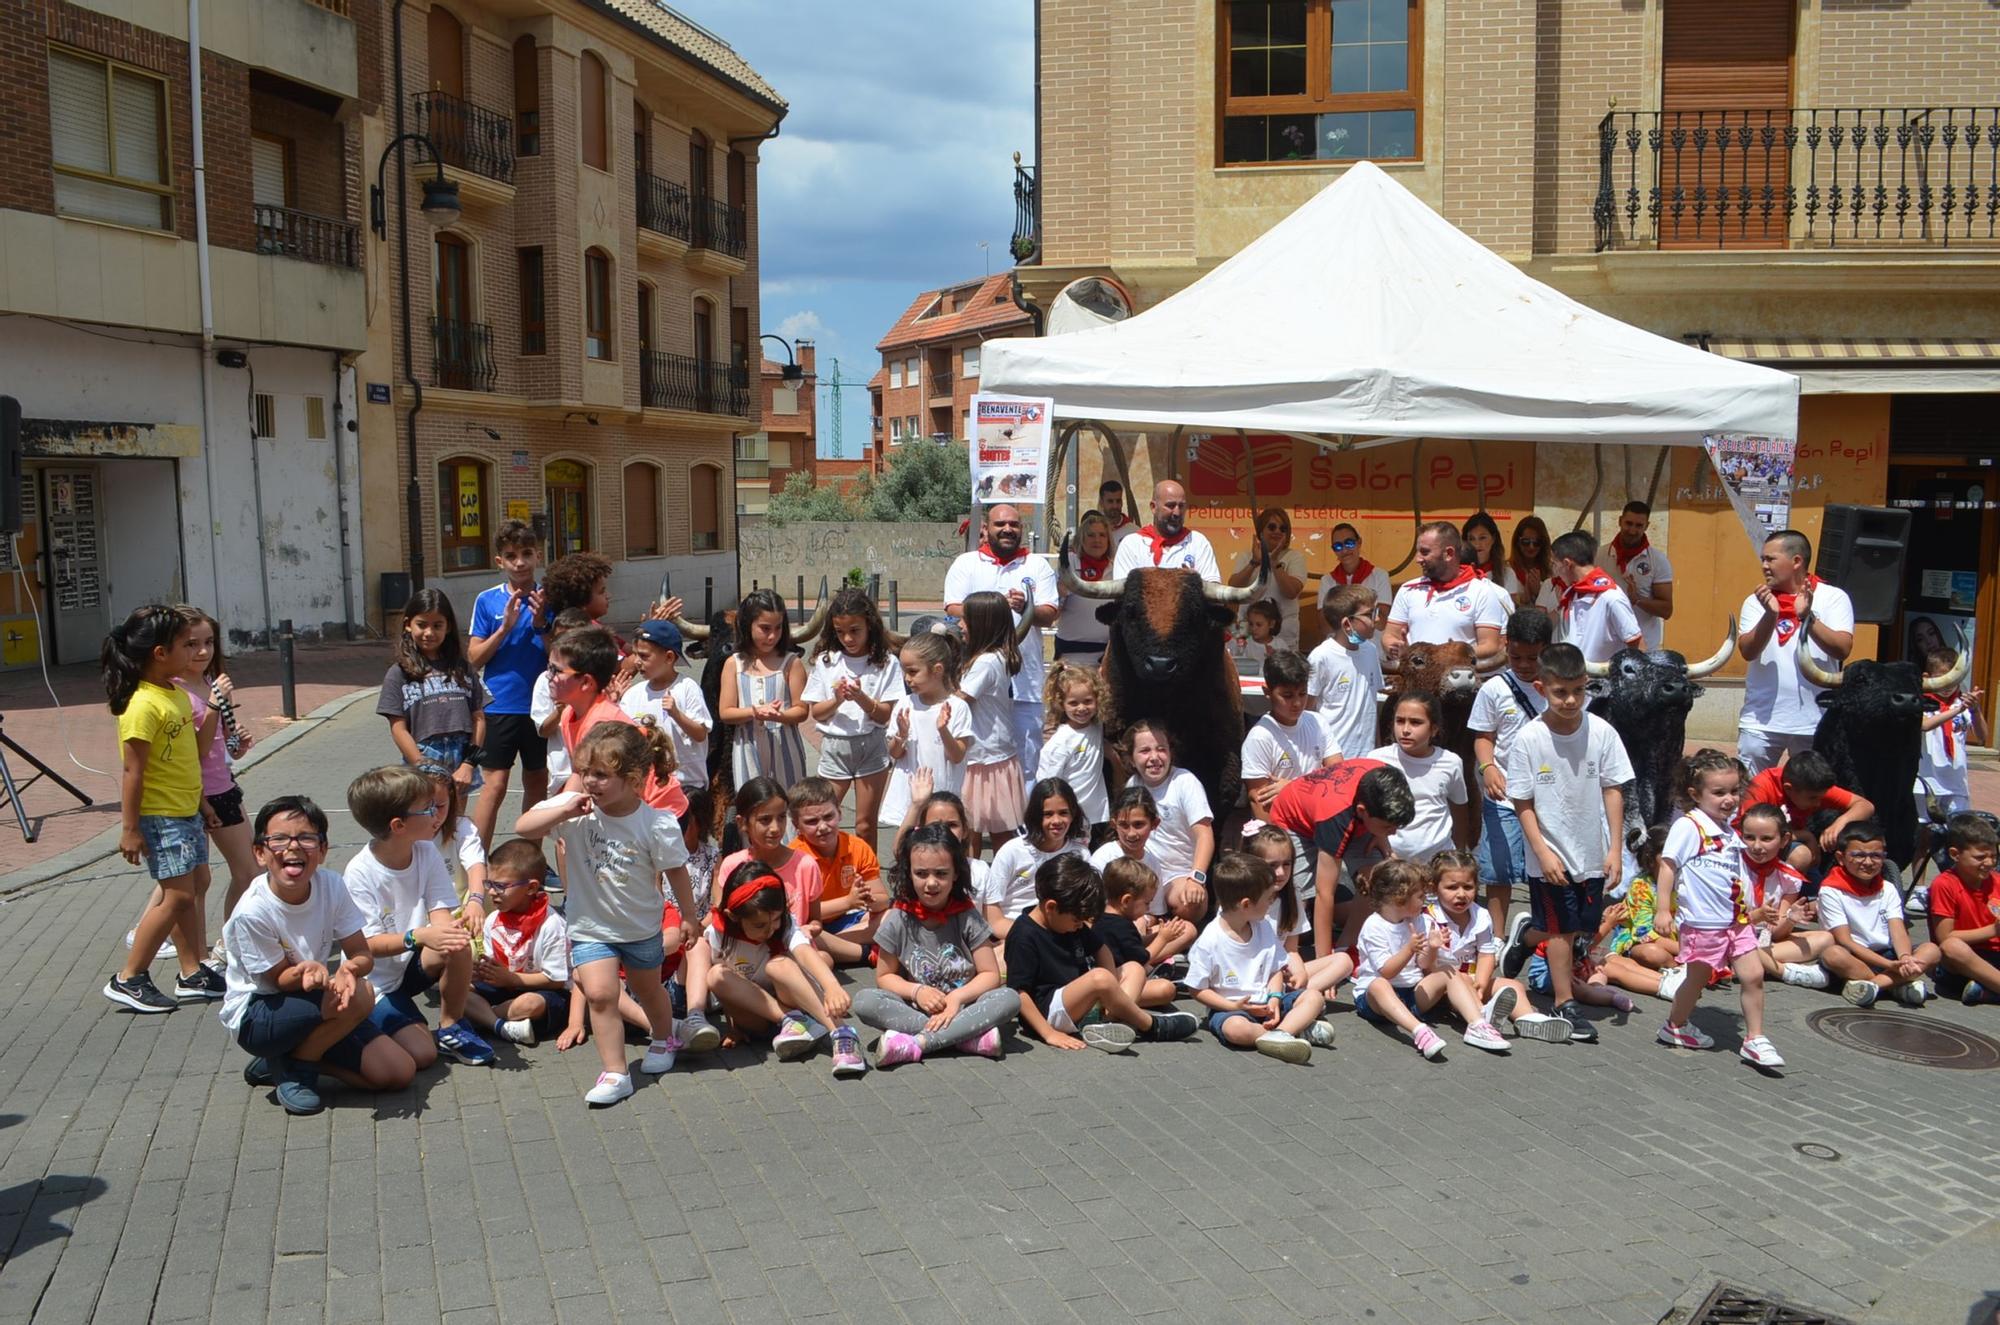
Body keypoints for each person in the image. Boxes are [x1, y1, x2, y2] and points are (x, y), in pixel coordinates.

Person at [513, 723, 697, 1105]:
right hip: (590, 927)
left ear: (632, 780)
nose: (590, 782)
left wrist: (689, 918)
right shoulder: (573, 811)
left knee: (648, 990)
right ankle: (616, 1072)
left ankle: (664, 1039)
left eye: (601, 775)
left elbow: (677, 873)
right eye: (584, 772)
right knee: (599, 994)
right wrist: (564, 805)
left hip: (640, 926)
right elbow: (522, 825)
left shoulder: (656, 823)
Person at [220, 797, 415, 1113]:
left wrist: (349, 970)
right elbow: (279, 981)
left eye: (306, 838)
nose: (293, 847)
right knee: (360, 996)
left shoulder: (332, 885)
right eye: (279, 839)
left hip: (318, 1001)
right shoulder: (252, 911)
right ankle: (299, 1068)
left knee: (399, 1072)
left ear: (322, 850)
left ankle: (286, 1062)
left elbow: (361, 953)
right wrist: (304, 971)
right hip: (259, 1013)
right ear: (260, 852)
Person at [1503, 642, 1633, 1044]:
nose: (1571, 700)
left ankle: (1527, 937)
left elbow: (1613, 789)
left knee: (1580, 927)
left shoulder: (1602, 732)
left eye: (1579, 690)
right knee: (1560, 932)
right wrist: (1542, 852)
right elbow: (1521, 801)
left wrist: (1614, 848)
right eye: (1561, 692)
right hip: (1549, 854)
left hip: (1592, 849)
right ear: (1542, 688)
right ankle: (1564, 1003)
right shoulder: (1529, 739)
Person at [103, 604, 221, 1012]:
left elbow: (188, 756)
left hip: (185, 809)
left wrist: (203, 804)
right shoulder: (141, 704)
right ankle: (129, 977)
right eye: (185, 646)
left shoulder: (173, 692)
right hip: (161, 815)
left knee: (192, 887)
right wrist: (129, 828)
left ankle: (192, 972)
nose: (194, 653)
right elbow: (132, 772)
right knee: (177, 896)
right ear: (159, 653)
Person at [342, 765, 493, 1069]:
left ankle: (451, 1026)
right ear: (398, 826)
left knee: (457, 943)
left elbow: (440, 912)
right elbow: (365, 945)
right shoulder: (359, 873)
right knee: (422, 1055)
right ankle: (356, 1026)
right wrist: (418, 936)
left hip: (409, 966)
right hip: (376, 981)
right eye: (427, 809)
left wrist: (449, 934)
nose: (437, 814)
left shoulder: (424, 851)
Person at [1651, 750, 1784, 1068]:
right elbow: (1668, 866)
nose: (1729, 799)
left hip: (1735, 922)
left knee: (1753, 975)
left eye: (1735, 791)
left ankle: (1754, 1038)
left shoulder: (1729, 830)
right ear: (1695, 794)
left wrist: (1753, 910)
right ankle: (1675, 1026)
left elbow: (1734, 874)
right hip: (1703, 923)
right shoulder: (1689, 826)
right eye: (1719, 792)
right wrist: (1663, 909)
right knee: (1696, 980)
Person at [854, 823, 1020, 1065]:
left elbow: (990, 975)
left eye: (941, 874)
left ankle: (918, 1043)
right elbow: (885, 977)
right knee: (864, 1001)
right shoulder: (898, 918)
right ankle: (965, 1037)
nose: (931, 883)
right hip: (917, 1009)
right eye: (921, 874)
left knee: (1009, 999)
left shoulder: (966, 915)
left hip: (965, 1007)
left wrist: (957, 999)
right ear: (908, 873)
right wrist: (917, 991)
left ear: (955, 874)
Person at [683, 860, 866, 1077]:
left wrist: (832, 987)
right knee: (716, 976)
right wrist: (734, 1027)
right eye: (760, 925)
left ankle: (842, 1033)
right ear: (734, 916)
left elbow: (805, 953)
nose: (770, 930)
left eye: (776, 920)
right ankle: (794, 1021)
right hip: (759, 1018)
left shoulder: (787, 924)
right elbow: (727, 993)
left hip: (793, 999)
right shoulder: (718, 934)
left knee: (779, 965)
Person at [1003, 855, 1199, 1051]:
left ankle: (1112, 1023)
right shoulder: (1023, 934)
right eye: (1077, 921)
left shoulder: (1067, 919)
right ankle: (1150, 1026)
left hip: (1081, 1002)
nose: (1079, 926)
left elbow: (1101, 948)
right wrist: (1048, 1033)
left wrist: (1111, 991)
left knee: (1134, 968)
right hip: (1048, 1012)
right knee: (1099, 977)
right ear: (1051, 907)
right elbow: (1019, 992)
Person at [943, 504, 1059, 784]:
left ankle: (1022, 825)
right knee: (976, 762)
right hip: (972, 681)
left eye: (1014, 525)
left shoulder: (1037, 565)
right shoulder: (966, 563)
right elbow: (951, 607)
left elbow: (1050, 613)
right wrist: (995, 609)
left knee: (1027, 765)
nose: (1008, 529)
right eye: (1000, 524)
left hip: (1025, 683)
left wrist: (1026, 605)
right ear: (986, 528)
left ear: (1022, 529)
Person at [1184, 852, 1333, 1063]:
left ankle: (1282, 1034)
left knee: (1314, 997)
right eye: (1268, 899)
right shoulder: (1210, 941)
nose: (1272, 903)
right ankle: (1291, 1032)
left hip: (1268, 1004)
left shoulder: (1262, 926)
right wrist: (1232, 1007)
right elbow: (1197, 988)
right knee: (1236, 1031)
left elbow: (1275, 969)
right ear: (1246, 905)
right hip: (1232, 1009)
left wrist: (1275, 998)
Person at [1353, 859, 1508, 1059]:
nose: (1425, 901)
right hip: (1376, 1002)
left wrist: (1432, 948)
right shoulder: (1374, 926)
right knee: (1378, 984)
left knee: (1447, 970)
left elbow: (1423, 965)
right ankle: (1420, 1031)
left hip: (1412, 993)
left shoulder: (1420, 920)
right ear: (1400, 898)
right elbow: (1387, 971)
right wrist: (1409, 949)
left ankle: (1477, 1024)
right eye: (1420, 896)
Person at [1264, 760, 1417, 961]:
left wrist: (1381, 834)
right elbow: (1324, 893)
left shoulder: (1387, 777)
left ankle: (1347, 946)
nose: (1395, 832)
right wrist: (1324, 961)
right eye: (1388, 827)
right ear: (1363, 811)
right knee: (1296, 896)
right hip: (1297, 822)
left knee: (1377, 881)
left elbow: (1381, 813)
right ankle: (1279, 953)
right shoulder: (1336, 817)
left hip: (1350, 815)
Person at [1736, 529, 1855, 774]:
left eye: (1770, 559)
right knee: (1751, 797)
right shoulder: (1755, 601)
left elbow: (1842, 649)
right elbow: (1748, 651)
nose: (1764, 566)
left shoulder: (1833, 598)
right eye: (1763, 559)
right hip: (1761, 721)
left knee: (1811, 798)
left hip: (1815, 721)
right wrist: (1770, 614)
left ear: (1796, 561)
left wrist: (1806, 617)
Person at [467, 520, 550, 849]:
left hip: (543, 708)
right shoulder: (488, 601)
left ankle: (531, 862)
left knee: (536, 783)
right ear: (499, 561)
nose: (520, 562)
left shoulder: (549, 597)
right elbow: (473, 658)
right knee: (495, 785)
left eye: (526, 554)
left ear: (537, 556)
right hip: (500, 706)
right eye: (511, 555)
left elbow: (560, 653)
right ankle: (477, 863)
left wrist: (542, 622)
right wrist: (504, 629)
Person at [1469, 607, 1551, 938]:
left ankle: (1543, 932)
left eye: (1534, 657)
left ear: (1547, 648)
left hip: (1548, 796)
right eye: (1517, 656)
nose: (1525, 664)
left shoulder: (1559, 687)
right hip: (1504, 795)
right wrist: (1487, 768)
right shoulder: (1494, 689)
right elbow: (1483, 738)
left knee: (1546, 869)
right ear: (1506, 645)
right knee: (1497, 870)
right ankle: (1497, 937)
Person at [801, 588, 903, 852]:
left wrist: (861, 698)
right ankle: (823, 872)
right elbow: (817, 712)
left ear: (869, 625)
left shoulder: (886, 662)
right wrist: (836, 699)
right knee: (822, 817)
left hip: (871, 745)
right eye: (840, 631)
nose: (847, 638)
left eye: (855, 630)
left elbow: (885, 714)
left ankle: (867, 877)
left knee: (865, 824)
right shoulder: (827, 661)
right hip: (836, 746)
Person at [550, 627, 687, 815]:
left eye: (555, 670)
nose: (548, 676)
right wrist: (561, 817)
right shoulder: (569, 714)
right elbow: (578, 773)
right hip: (629, 804)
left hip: (660, 809)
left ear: (586, 682)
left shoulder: (601, 723)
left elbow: (608, 787)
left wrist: (563, 820)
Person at [1426, 850, 1559, 1043]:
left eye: (1468, 887)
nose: (1461, 894)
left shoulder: (1480, 915)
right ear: (1434, 888)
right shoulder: (1428, 917)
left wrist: (1480, 982)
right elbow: (1424, 964)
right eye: (1452, 887)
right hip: (1439, 982)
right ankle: (1482, 1016)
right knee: (1460, 979)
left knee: (1513, 985)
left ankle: (1530, 1020)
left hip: (1471, 977)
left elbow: (1486, 954)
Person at [179, 608, 257, 932]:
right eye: (191, 644)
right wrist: (213, 704)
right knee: (193, 882)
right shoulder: (173, 691)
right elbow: (193, 747)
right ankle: (186, 949)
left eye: (209, 642)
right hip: (190, 792)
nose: (202, 651)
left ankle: (231, 940)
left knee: (250, 870)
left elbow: (221, 743)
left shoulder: (213, 682)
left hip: (221, 785)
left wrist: (238, 743)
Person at [1817, 819, 1941, 1007]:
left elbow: (1898, 930)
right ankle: (1897, 984)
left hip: (1890, 954)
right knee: (1833, 955)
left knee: (1932, 951)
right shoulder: (1830, 891)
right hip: (1855, 957)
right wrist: (1890, 967)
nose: (1868, 862)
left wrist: (1905, 958)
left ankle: (1875, 986)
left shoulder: (1888, 888)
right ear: (1841, 858)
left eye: (1876, 856)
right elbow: (1845, 940)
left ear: (1884, 857)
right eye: (1858, 855)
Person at [465, 839, 571, 1048]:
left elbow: (556, 980)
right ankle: (501, 1026)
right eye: (490, 883)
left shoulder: (551, 925)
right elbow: (495, 966)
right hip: (507, 985)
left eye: (501, 886)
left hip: (543, 991)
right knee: (457, 988)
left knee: (529, 1004)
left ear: (531, 887)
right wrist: (481, 972)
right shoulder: (493, 919)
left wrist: (511, 979)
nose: (492, 892)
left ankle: (483, 1018)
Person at [381, 588, 487, 792]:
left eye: (437, 625)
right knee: (427, 818)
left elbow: (479, 718)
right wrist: (422, 765)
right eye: (422, 625)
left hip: (462, 754)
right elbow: (398, 728)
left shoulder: (462, 668)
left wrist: (469, 763)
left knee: (454, 820)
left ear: (448, 628)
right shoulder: (399, 673)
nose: (429, 633)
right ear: (408, 625)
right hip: (424, 755)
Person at [789, 777, 889, 967]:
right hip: (813, 925)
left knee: (893, 917)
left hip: (846, 922)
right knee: (800, 932)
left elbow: (882, 898)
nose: (823, 827)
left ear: (840, 813)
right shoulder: (795, 858)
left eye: (828, 817)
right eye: (811, 821)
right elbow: (801, 915)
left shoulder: (857, 847)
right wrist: (848, 902)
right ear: (796, 826)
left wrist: (868, 899)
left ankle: (838, 948)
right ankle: (864, 953)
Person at [956, 590, 1028, 853]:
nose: (960, 625)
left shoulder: (985, 662)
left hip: (985, 758)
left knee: (977, 829)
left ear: (981, 624)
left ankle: (988, 880)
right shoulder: (994, 657)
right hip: (991, 755)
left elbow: (960, 700)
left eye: (965, 620)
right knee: (988, 829)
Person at [719, 589, 811, 789]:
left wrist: (779, 716)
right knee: (754, 805)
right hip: (747, 747)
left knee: (789, 805)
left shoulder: (791, 663)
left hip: (785, 747)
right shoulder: (733, 664)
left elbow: (802, 710)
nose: (772, 636)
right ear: (747, 625)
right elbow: (726, 712)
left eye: (778, 628)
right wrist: (755, 712)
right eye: (765, 628)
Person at [1738, 802, 1836, 989]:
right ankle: (1784, 971)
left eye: (1766, 839)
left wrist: (1790, 919)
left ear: (1784, 840)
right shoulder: (1731, 868)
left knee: (1826, 939)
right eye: (1749, 837)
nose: (1757, 846)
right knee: (1735, 942)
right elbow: (1721, 923)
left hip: (1764, 943)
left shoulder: (1788, 877)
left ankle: (1746, 963)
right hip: (1730, 935)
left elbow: (1776, 932)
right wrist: (1755, 917)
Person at [1381, 521, 1509, 664]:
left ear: (1448, 554)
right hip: (1415, 682)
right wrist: (1394, 647)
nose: (1418, 559)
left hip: (1460, 682)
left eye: (1425, 552)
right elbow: (1389, 635)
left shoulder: (1482, 592)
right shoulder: (1408, 589)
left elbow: (1490, 645)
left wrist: (1449, 657)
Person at [1125, 720, 1214, 924]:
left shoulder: (1185, 781)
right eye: (1145, 751)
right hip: (1143, 874)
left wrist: (1196, 878)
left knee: (1191, 903)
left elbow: (1205, 835)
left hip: (1179, 876)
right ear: (1131, 758)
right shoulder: (1132, 785)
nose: (1154, 758)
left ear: (1170, 752)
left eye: (1161, 749)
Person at [882, 631, 971, 832]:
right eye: (904, 672)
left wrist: (943, 730)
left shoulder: (957, 707)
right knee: (907, 850)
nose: (907, 679)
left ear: (937, 670)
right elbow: (895, 753)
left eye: (913, 672)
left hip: (941, 794)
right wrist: (900, 736)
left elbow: (957, 756)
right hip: (910, 795)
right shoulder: (906, 704)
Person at [982, 778, 1091, 940]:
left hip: (1063, 933)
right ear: (1035, 816)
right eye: (1048, 814)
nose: (1056, 821)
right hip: (1015, 932)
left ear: (1073, 814)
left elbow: (1087, 913)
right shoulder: (1011, 851)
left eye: (1063, 813)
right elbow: (994, 919)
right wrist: (1034, 936)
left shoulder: (1081, 855)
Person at [1368, 692, 1472, 863]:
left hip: (1437, 862)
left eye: (1416, 722)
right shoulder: (1376, 759)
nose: (1406, 730)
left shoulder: (1451, 762)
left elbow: (1459, 809)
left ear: (1434, 729)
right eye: (1400, 721)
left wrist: (1458, 855)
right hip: (1389, 861)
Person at [1736, 750, 1873, 877]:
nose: (1819, 804)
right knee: (1800, 856)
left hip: (1787, 841)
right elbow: (1753, 835)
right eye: (1813, 798)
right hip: (1753, 850)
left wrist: (1840, 823)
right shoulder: (1762, 787)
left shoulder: (1812, 787)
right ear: (1788, 789)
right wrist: (1807, 836)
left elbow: (1865, 806)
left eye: (1822, 797)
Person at [1242, 649, 1339, 820]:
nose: (1297, 703)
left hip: (1318, 823)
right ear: (1267, 692)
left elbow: (1339, 776)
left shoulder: (1318, 722)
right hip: (1283, 831)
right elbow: (1260, 802)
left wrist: (1293, 786)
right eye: (1287, 696)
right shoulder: (1260, 737)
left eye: (1302, 694)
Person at [619, 619, 712, 795]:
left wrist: (676, 714)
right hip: (648, 787)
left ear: (669, 657)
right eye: (637, 655)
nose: (637, 662)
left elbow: (700, 733)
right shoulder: (632, 695)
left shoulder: (687, 688)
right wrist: (613, 702)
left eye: (645, 656)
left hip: (686, 785)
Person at [717, 777, 824, 929]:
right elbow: (725, 916)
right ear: (742, 823)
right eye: (765, 820)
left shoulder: (805, 865)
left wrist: (811, 929)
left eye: (781, 817)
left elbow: (815, 920)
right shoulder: (732, 865)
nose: (775, 828)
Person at [1096, 857, 1195, 1000]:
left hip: (1113, 976)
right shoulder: (1121, 926)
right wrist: (1162, 938)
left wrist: (1157, 935)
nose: (1148, 908)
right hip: (1120, 984)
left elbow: (1132, 945)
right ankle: (1120, 1007)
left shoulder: (1104, 919)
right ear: (1127, 901)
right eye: (1147, 903)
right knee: (1166, 990)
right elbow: (1141, 959)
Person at [1928, 813, 2000, 1005]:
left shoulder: (1996, 881)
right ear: (1955, 854)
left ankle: (1986, 993)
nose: (1990, 862)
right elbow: (1946, 938)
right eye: (1980, 857)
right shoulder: (1945, 884)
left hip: (1994, 956)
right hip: (1961, 963)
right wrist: (1993, 930)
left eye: (1994, 856)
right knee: (1952, 947)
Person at [1914, 653, 1985, 846]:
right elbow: (1925, 725)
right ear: (1927, 677)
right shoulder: (1920, 702)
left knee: (1958, 836)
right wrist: (1958, 709)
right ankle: (1918, 877)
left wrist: (1975, 710)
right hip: (1927, 782)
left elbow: (1982, 735)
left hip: (1955, 782)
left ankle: (1952, 875)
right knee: (1924, 838)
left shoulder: (1960, 703)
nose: (1949, 685)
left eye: (1955, 679)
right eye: (1943, 678)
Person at [1307, 585, 1384, 760]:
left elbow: (1372, 704)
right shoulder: (1321, 657)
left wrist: (1377, 749)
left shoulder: (1371, 651)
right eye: (1369, 614)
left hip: (1366, 755)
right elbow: (1307, 709)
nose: (1377, 618)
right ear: (1347, 624)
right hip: (1332, 757)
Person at [1037, 661, 1111, 836]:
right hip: (1070, 816)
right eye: (1073, 703)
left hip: (1096, 814)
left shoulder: (1096, 726)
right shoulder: (1060, 743)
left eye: (1087, 701)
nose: (1082, 708)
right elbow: (1047, 782)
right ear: (1061, 704)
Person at [1549, 532, 1642, 665]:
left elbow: (1636, 643)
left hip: (1603, 681)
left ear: (1566, 563)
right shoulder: (1573, 593)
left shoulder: (1611, 597)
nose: (1555, 572)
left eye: (1554, 564)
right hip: (1574, 679)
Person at [1110, 479, 1221, 582]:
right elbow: (1124, 595)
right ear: (1153, 507)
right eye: (1170, 506)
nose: (1177, 513)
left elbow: (1212, 587)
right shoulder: (1131, 545)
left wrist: (1195, 582)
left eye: (1181, 506)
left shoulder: (1198, 542)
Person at [1229, 507, 1308, 648]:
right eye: (1272, 527)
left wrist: (1275, 564)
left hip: (1283, 636)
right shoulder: (1246, 556)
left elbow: (1291, 592)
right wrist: (1254, 562)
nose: (1277, 531)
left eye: (1282, 529)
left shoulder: (1294, 557)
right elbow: (1234, 588)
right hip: (1249, 633)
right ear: (1261, 531)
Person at [1052, 510, 1115, 668]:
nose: (1097, 540)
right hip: (1071, 656)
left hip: (1107, 658)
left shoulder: (1116, 568)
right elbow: (1053, 614)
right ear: (1082, 539)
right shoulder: (1069, 564)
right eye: (1091, 535)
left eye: (1102, 535)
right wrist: (1060, 595)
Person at [1610, 501, 1675, 652]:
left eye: (1638, 525)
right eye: (1628, 523)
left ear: (1647, 526)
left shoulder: (1658, 560)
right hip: (1607, 649)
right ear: (1620, 521)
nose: (1632, 530)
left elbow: (1666, 610)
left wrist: (1637, 600)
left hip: (1643, 649)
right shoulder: (1599, 555)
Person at [1316, 522, 1393, 628]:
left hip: (1372, 643)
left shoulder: (1380, 576)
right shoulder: (1327, 581)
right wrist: (1365, 612)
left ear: (1359, 542)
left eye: (1349, 543)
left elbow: (1382, 622)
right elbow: (1325, 627)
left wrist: (1342, 613)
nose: (1344, 550)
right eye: (1338, 546)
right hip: (1339, 643)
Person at [1497, 516, 1558, 613]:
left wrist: (1540, 593)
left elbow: (1558, 605)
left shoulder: (1553, 570)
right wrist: (1520, 600)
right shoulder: (1506, 570)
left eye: (1537, 542)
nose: (1531, 547)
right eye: (1526, 542)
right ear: (1517, 542)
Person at [1459, 512, 1505, 580]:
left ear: (1493, 539)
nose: (1477, 544)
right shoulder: (1457, 573)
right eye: (1472, 539)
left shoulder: (1507, 573)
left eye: (1482, 538)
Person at [1098, 478, 1141, 546]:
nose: (1115, 506)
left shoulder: (1134, 532)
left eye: (1118, 501)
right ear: (1101, 502)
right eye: (1110, 501)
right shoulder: (1092, 531)